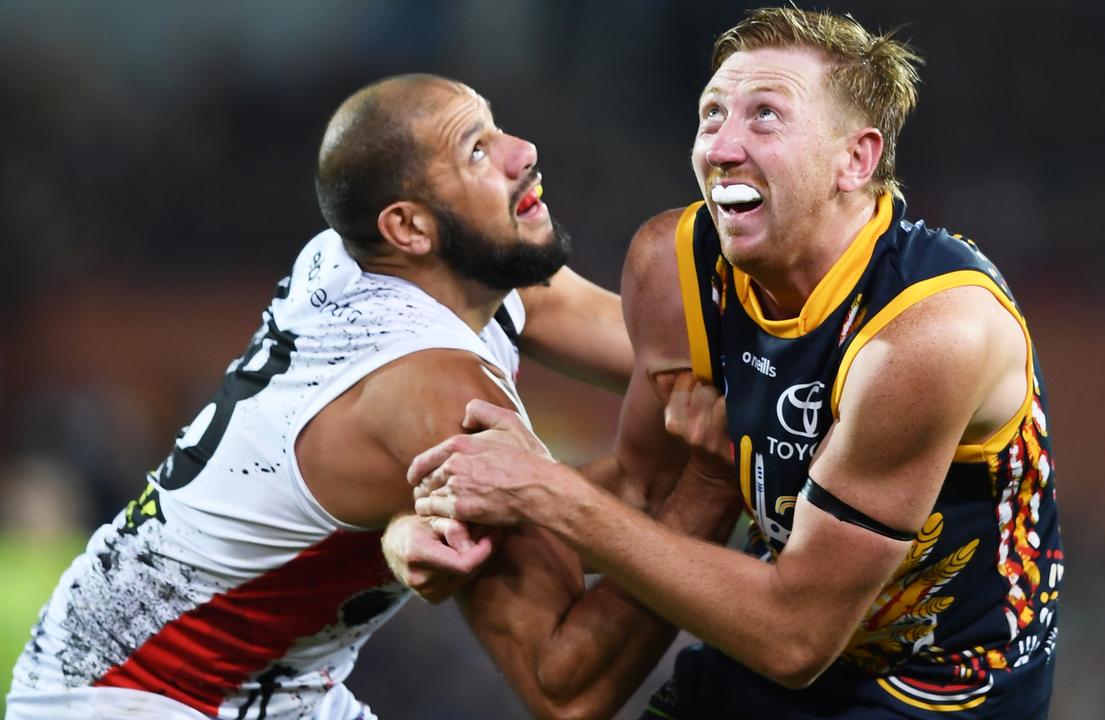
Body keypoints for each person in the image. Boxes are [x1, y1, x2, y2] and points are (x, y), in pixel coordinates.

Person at [5, 73, 730, 720]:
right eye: (476, 151)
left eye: (495, 126)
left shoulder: (407, 261)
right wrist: (712, 476)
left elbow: (669, 354)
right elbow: (565, 687)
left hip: (263, 679)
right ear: (408, 227)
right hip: (135, 696)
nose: (523, 151)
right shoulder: (435, 389)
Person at [412, 8, 1064, 719]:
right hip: (764, 656)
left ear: (857, 159)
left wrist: (544, 492)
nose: (722, 147)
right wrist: (474, 514)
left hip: (941, 688)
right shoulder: (673, 265)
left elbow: (795, 635)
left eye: (765, 117)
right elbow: (639, 489)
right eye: (712, 114)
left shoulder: (929, 333)